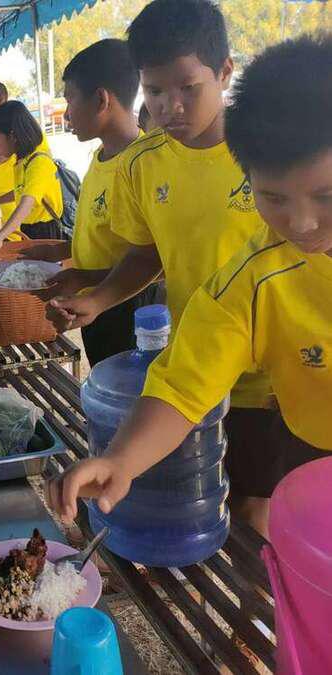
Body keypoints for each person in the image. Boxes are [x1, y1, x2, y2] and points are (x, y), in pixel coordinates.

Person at [47, 34, 332, 533]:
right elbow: (183, 383)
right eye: (273, 198)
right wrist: (122, 461)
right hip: (312, 455)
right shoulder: (250, 283)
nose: (302, 223)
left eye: (325, 195)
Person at [33, 39, 161, 367]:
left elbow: (154, 260)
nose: (67, 113)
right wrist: (61, 252)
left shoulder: (144, 165)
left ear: (102, 99)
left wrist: (86, 279)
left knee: (129, 387)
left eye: (70, 99)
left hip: (130, 307)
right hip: (96, 303)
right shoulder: (100, 157)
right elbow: (106, 236)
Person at [0, 100, 64, 263]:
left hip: (44, 231)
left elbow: (27, 202)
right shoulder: (22, 161)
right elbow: (21, 191)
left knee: (44, 274)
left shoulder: (39, 163)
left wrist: (0, 236)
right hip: (28, 228)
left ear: (13, 136)